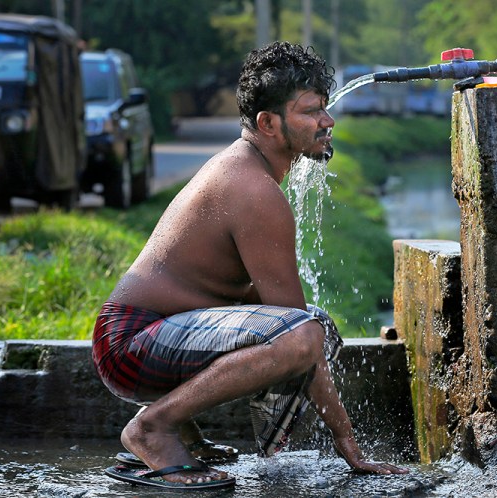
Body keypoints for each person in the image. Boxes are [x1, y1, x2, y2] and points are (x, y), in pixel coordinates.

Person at [92, 41, 408, 490]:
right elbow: (300, 340)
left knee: (314, 326)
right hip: (130, 344)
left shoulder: (248, 172)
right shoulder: (255, 191)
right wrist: (349, 445)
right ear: (268, 123)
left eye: (325, 108)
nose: (327, 122)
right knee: (306, 333)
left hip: (144, 338)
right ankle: (152, 429)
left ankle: (180, 432)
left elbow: (276, 318)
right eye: (312, 111)